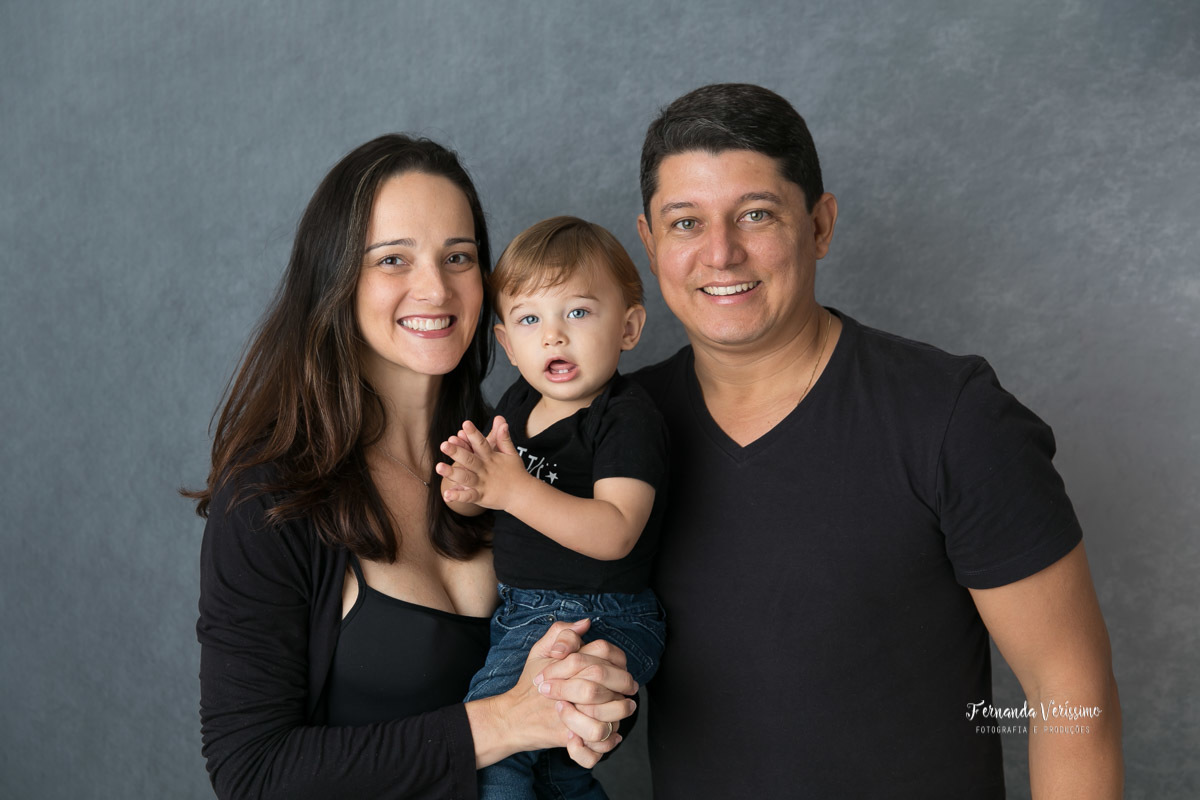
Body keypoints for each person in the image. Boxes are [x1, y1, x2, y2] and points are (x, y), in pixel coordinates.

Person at [631, 84, 1123, 798]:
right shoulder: (620, 432)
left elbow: (1069, 690)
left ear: (820, 225)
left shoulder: (952, 418)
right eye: (685, 223)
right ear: (650, 245)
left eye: (757, 214)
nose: (721, 253)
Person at [188, 135, 638, 800]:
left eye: (458, 257)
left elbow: (586, 641)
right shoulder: (269, 497)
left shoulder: (518, 458)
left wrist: (591, 700)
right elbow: (252, 773)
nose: (435, 288)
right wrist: (503, 722)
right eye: (393, 259)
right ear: (335, 279)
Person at [436, 216, 668, 799]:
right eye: (530, 319)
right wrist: (471, 495)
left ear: (629, 327)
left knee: (492, 756)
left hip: (596, 613)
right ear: (507, 344)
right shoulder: (518, 403)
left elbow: (617, 531)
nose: (553, 337)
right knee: (552, 773)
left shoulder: (625, 418)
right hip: (524, 611)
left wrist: (511, 490)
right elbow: (501, 506)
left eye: (579, 312)